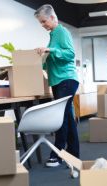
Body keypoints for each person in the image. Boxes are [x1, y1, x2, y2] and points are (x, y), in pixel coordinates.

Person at [34, 4, 80, 167]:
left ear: (53, 17)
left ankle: (58, 153)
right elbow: (53, 60)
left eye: (44, 21)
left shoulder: (61, 31)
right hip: (59, 80)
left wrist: (50, 50)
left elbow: (70, 54)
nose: (43, 25)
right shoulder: (53, 35)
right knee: (66, 117)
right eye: (41, 23)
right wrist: (39, 62)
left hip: (66, 80)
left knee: (61, 117)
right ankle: (73, 154)